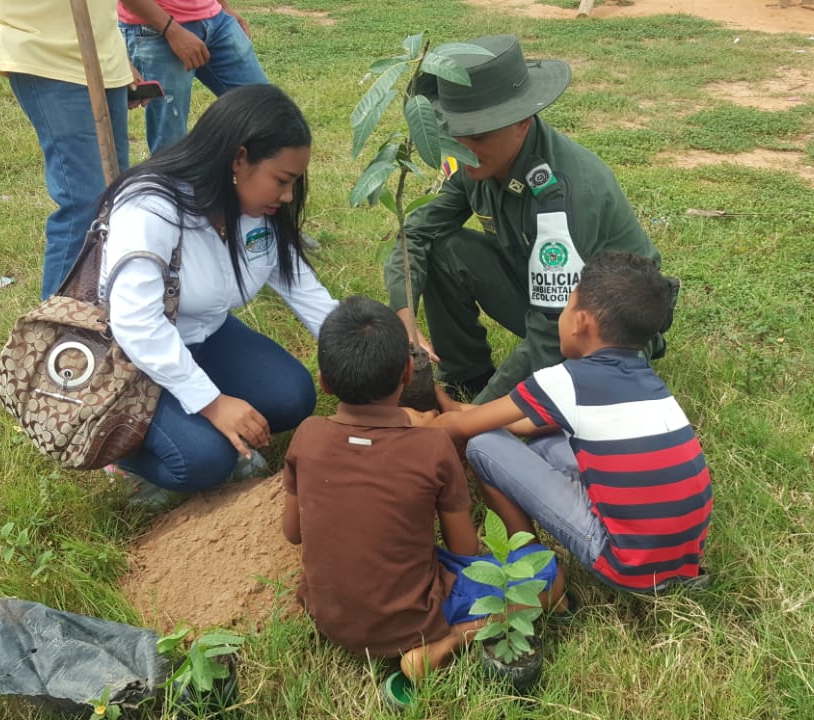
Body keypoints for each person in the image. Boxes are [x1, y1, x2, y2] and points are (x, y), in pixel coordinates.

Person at [281, 295, 562, 690]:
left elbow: (293, 533)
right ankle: (449, 641)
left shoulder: (306, 436)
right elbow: (464, 550)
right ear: (409, 372)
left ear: (323, 381)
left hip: (329, 617)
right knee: (547, 573)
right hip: (413, 621)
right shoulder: (431, 449)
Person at [385, 35, 675, 404]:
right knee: (446, 248)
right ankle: (467, 376)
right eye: (453, 132)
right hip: (546, 296)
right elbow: (417, 235)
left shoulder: (562, 192)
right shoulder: (477, 160)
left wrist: (472, 419)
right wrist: (405, 318)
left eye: (479, 134)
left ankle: (477, 401)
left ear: (521, 122)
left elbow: (554, 329)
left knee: (573, 398)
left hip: (605, 328)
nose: (463, 147)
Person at [97, 84, 336, 502]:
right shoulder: (151, 207)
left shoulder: (255, 211)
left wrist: (352, 346)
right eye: (281, 180)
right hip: (132, 356)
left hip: (206, 337)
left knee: (294, 397)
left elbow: (301, 286)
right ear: (239, 159)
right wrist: (212, 403)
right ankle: (121, 448)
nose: (288, 196)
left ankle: (196, 428)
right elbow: (135, 324)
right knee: (204, 461)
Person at [429, 251, 712, 595]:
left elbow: (465, 429)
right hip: (679, 561)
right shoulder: (647, 383)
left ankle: (536, 572)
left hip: (626, 564)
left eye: (566, 306)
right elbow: (520, 424)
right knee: (545, 443)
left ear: (581, 322)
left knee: (483, 445)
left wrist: (412, 422)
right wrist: (450, 403)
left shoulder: (567, 379)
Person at [0, 0, 168, 299]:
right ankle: (55, 329)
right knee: (85, 203)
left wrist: (118, 59)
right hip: (45, 52)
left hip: (104, 55)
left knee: (114, 197)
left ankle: (99, 310)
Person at [118, 0, 268, 155]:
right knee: (171, 147)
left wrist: (224, 6)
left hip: (215, 18)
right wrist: (172, 30)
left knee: (265, 111)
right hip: (156, 29)